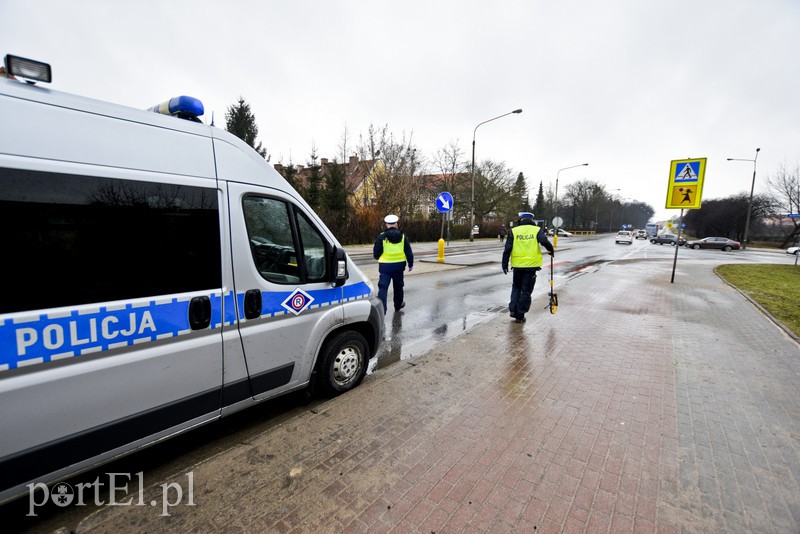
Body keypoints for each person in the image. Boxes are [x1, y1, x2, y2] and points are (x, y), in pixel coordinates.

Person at [501, 212, 554, 323]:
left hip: (517, 266)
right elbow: (544, 241)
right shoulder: (536, 230)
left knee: (516, 287)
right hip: (531, 267)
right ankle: (520, 315)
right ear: (532, 220)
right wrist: (551, 250)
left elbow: (507, 249)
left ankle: (513, 309)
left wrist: (504, 263)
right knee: (526, 291)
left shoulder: (514, 231)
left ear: (521, 219)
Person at [373, 214, 414, 314]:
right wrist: (410, 264)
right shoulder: (403, 237)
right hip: (399, 267)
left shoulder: (382, 237)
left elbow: (376, 253)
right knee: (398, 286)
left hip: (385, 267)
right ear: (396, 224)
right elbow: (408, 252)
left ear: (387, 225)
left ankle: (382, 310)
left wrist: (379, 258)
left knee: (383, 288)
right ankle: (398, 305)